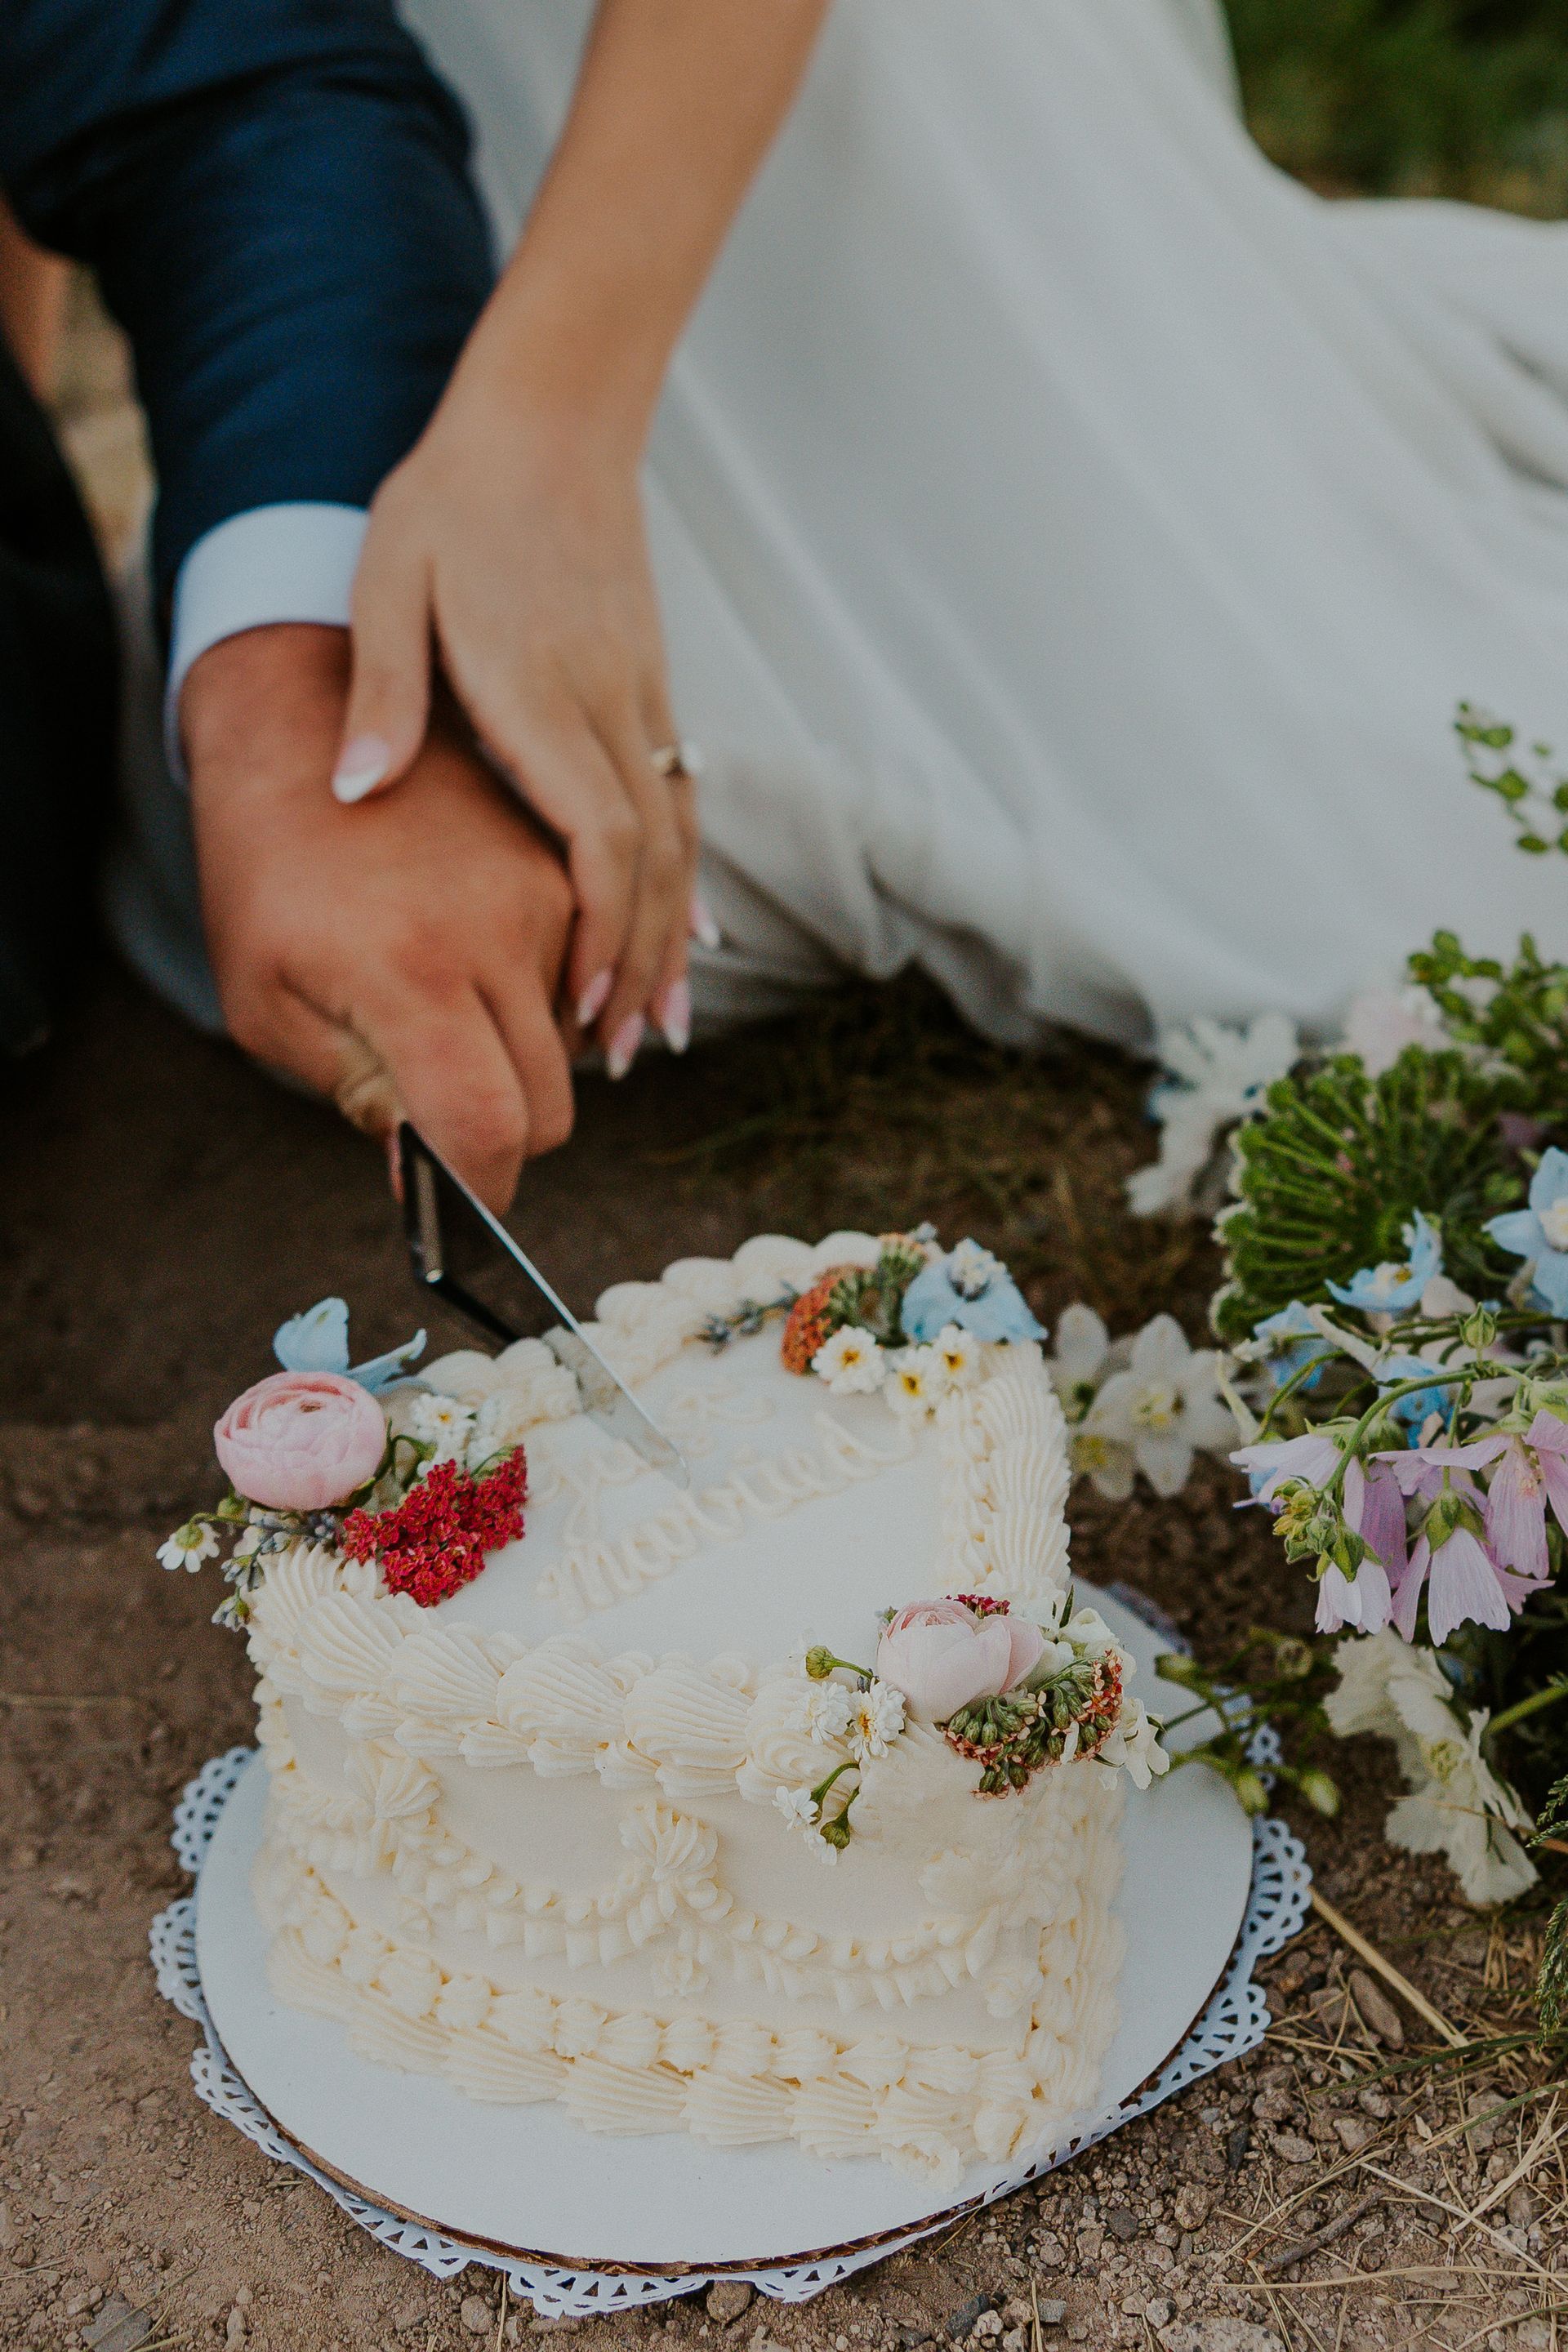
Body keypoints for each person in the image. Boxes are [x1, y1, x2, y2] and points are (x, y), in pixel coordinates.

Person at [11, 0, 1568, 1214]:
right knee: (326, 907)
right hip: (360, 154)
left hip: (707, 107)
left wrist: (546, 441)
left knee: (1329, 836)